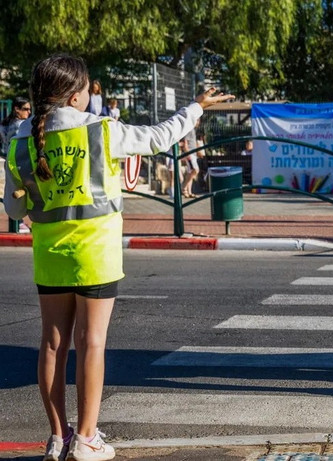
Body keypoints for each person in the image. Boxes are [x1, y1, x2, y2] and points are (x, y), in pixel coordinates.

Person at [3, 54, 233, 461]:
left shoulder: (20, 140)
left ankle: (58, 438)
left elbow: (16, 211)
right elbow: (160, 137)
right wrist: (196, 106)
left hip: (50, 254)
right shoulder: (101, 131)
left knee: (52, 345)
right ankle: (88, 438)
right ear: (76, 96)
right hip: (96, 254)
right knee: (91, 342)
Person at [1, 97, 31, 200]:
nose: (29, 112)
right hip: (19, 163)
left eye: (29, 109)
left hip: (6, 159)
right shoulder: (22, 126)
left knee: (10, 193)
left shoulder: (5, 124)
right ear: (16, 109)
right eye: (26, 109)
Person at [181, 120, 200, 198]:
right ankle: (184, 187)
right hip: (190, 154)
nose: (198, 122)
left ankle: (189, 192)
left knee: (191, 172)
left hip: (193, 154)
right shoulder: (189, 129)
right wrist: (188, 154)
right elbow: (185, 143)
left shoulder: (193, 130)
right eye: (197, 120)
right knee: (195, 170)